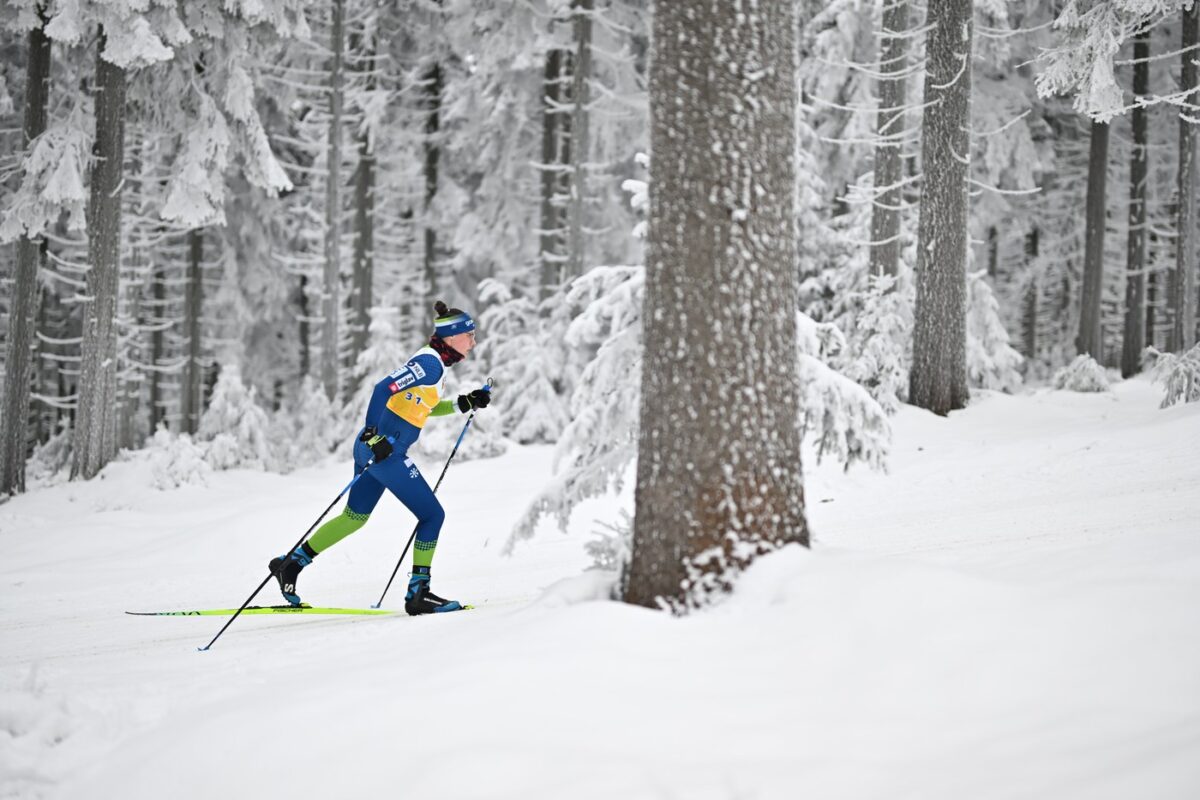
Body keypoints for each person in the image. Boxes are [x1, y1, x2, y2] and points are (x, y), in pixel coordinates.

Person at [268, 301, 492, 615]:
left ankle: (291, 564)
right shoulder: (428, 363)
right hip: (383, 451)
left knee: (354, 517)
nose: (474, 341)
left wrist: (463, 403)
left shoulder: (435, 367)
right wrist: (373, 434)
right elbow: (381, 388)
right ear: (453, 337)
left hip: (373, 450)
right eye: (470, 335)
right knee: (432, 516)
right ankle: (419, 594)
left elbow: (424, 406)